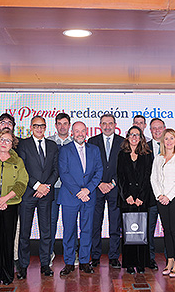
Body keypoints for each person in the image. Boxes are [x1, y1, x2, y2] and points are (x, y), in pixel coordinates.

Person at [58, 121, 103, 276]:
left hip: (89, 197)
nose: (80, 134)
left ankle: (84, 261)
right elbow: (63, 173)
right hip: (70, 197)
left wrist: (88, 190)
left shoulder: (94, 150)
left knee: (87, 230)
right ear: (72, 133)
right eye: (77, 131)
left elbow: (99, 171)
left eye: (82, 131)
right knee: (69, 231)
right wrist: (79, 192)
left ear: (86, 132)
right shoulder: (64, 150)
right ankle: (69, 263)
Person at [17, 116, 59, 278]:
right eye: (36, 126)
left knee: (46, 231)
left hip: (46, 195)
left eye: (42, 126)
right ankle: (23, 266)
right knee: (25, 232)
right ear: (31, 127)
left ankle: (45, 264)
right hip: (29, 194)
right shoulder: (24, 144)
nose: (39, 128)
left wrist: (46, 187)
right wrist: (37, 186)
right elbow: (22, 169)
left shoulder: (52, 145)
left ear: (46, 127)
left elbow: (56, 169)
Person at [0, 129, 28, 285]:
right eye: (2, 139)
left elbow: (22, 183)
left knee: (8, 240)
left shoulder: (17, 161)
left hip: (11, 205)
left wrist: (5, 198)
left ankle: (7, 275)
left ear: (13, 144)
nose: (5, 143)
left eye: (8, 141)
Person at [88, 114, 124, 269]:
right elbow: (89, 167)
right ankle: (95, 256)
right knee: (95, 224)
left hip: (115, 189)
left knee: (115, 224)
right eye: (104, 123)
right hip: (97, 189)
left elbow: (124, 166)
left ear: (115, 124)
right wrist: (99, 183)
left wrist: (112, 183)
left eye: (110, 123)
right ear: (100, 125)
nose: (107, 126)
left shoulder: (123, 142)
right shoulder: (92, 142)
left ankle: (114, 256)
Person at [117, 126, 154, 274]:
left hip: (141, 200)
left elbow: (148, 177)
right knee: (129, 233)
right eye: (132, 134)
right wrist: (127, 196)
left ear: (141, 137)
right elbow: (120, 177)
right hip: (127, 200)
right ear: (127, 137)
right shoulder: (122, 155)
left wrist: (141, 197)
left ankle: (141, 263)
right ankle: (130, 263)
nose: (134, 137)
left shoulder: (147, 154)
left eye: (137, 135)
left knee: (142, 232)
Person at [151, 128, 175, 278]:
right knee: (166, 229)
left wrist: (169, 196)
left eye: (172, 138)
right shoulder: (158, 158)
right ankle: (170, 260)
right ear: (162, 141)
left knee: (174, 229)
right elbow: (153, 178)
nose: (169, 141)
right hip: (161, 198)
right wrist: (160, 195)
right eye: (166, 139)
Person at [46, 112, 74, 265]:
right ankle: (49, 252)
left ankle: (72, 253)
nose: (62, 126)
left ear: (69, 125)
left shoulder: (76, 142)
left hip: (71, 189)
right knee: (51, 222)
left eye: (65, 123)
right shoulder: (49, 142)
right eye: (59, 124)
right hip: (53, 188)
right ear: (55, 126)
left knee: (70, 223)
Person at [145, 117, 166, 270]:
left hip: (168, 197)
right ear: (150, 130)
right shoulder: (143, 148)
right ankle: (150, 259)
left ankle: (170, 257)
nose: (157, 130)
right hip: (150, 197)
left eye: (160, 128)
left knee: (170, 229)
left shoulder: (173, 147)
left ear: (164, 129)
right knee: (148, 229)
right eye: (154, 128)